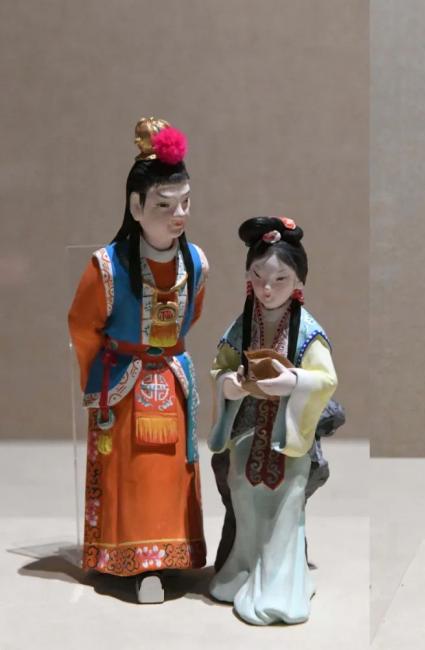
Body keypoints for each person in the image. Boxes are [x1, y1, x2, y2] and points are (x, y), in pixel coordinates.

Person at [68, 117, 208, 603]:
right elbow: (82, 327)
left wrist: (165, 356)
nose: (178, 215)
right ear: (135, 206)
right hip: (123, 385)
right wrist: (101, 375)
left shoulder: (196, 263)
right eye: (164, 205)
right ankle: (132, 558)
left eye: (185, 202)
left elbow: (193, 316)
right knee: (131, 473)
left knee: (172, 471)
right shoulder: (106, 267)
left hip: (171, 378)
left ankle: (175, 554)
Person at [208, 216, 337, 625]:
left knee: (284, 508)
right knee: (244, 498)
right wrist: (229, 385)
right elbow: (220, 368)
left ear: (298, 281)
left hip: (286, 436)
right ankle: (242, 571)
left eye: (280, 279)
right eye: (259, 277)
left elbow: (326, 379)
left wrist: (293, 381)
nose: (268, 288)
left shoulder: (307, 331)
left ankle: (281, 589)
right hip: (248, 432)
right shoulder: (241, 326)